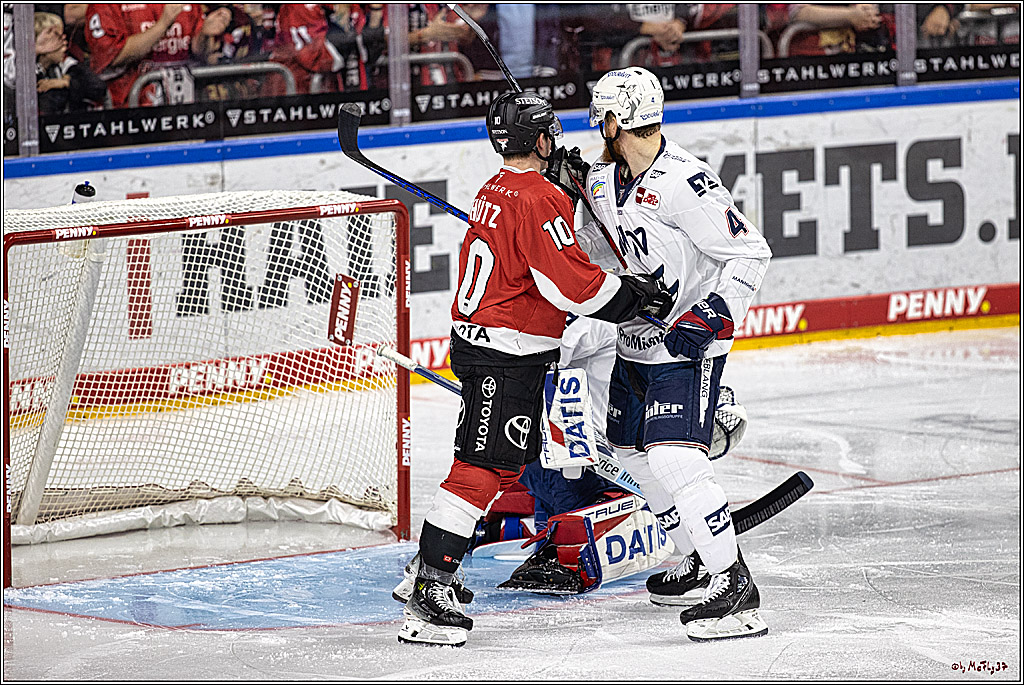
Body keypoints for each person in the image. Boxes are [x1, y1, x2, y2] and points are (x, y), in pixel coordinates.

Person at [397, 90, 672, 647]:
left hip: (489, 345)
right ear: (542, 139)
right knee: (478, 469)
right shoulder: (538, 198)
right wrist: (637, 298)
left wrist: (562, 191)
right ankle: (430, 588)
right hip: (505, 354)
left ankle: (428, 571)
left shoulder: (496, 187)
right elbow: (572, 286)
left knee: (495, 467)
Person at [584, 66, 772, 641]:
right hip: (633, 340)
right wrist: (568, 192)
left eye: (601, 118)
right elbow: (598, 249)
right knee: (627, 451)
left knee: (673, 457)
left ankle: (733, 585)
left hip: (687, 342)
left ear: (615, 120)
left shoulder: (684, 183)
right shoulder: (600, 178)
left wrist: (713, 311)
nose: (598, 128)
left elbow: (751, 253)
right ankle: (694, 555)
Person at [84, 3, 230, 107]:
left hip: (183, 107)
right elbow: (112, 56)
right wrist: (163, 25)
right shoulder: (105, 5)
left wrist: (205, 34)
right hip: (127, 111)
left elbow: (198, 51)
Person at [34, 11, 106, 115]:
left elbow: (98, 87)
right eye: (57, 37)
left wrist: (66, 83)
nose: (64, 43)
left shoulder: (64, 64)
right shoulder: (20, 71)